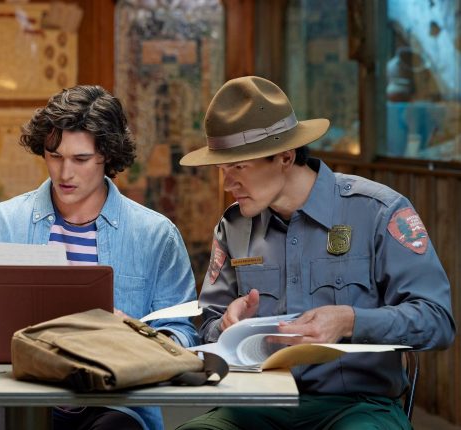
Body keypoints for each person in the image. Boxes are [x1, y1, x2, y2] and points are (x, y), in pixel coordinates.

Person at [176, 76, 456, 430]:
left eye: (238, 167)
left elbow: (437, 320)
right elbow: (209, 329)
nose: (226, 183)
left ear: (285, 157)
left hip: (356, 406)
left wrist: (351, 320)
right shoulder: (233, 226)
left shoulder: (377, 212)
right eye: (221, 169)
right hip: (255, 404)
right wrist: (226, 326)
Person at [0, 85, 199, 430]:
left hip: (117, 399)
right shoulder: (1, 222)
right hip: (13, 393)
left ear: (108, 156)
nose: (64, 173)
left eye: (80, 159)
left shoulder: (154, 234)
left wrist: (132, 333)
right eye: (54, 156)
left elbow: (183, 336)